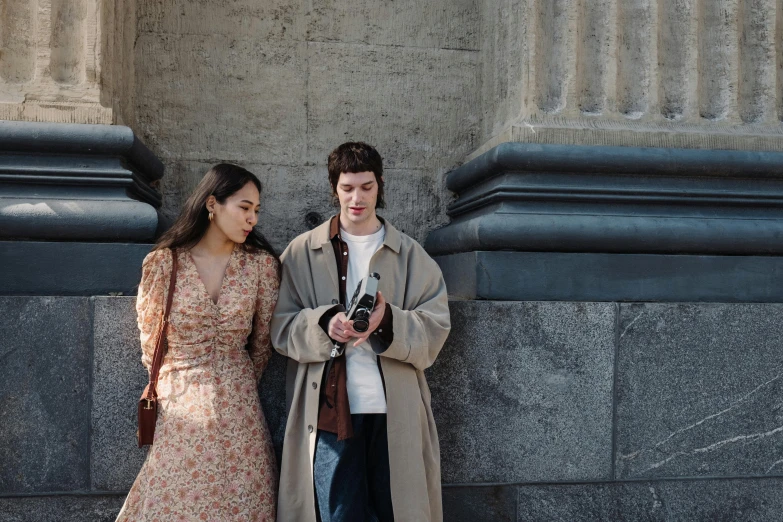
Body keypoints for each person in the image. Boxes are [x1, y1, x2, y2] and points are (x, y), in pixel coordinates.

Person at [271, 142, 451, 522]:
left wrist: (387, 322)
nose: (357, 198)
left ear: (380, 186)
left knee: (396, 513)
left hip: (395, 412)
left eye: (366, 187)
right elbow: (279, 326)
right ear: (334, 188)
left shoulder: (412, 255)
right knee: (339, 515)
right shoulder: (302, 252)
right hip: (329, 413)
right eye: (347, 187)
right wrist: (324, 323)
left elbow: (435, 330)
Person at [116, 164, 279, 521]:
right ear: (212, 204)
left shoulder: (260, 267)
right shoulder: (164, 263)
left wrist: (235, 379)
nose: (252, 218)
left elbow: (263, 343)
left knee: (244, 501)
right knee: (177, 503)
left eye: (256, 210)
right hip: (181, 407)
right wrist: (183, 383)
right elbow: (150, 344)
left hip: (241, 409)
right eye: (244, 207)